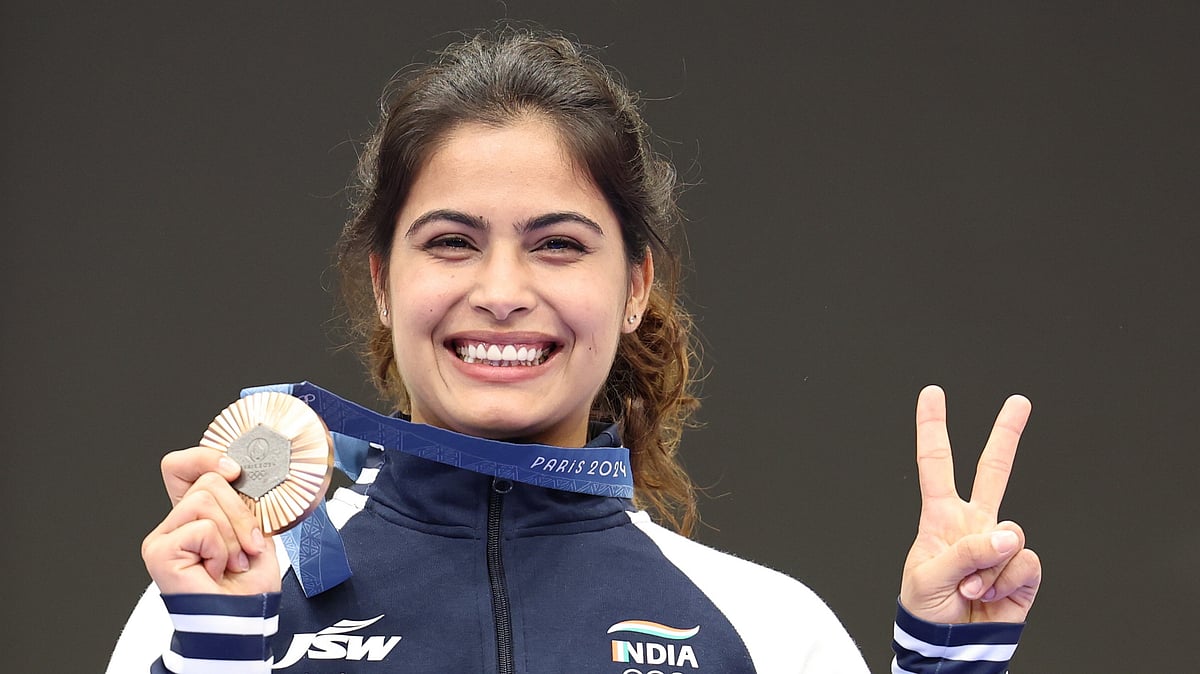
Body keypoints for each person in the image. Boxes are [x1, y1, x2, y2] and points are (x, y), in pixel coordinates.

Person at [108, 28, 1041, 673]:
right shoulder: (215, 604)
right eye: (450, 242)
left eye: (557, 243)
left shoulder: (764, 630)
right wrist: (221, 654)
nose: (504, 291)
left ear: (634, 288)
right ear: (384, 285)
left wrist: (946, 666)